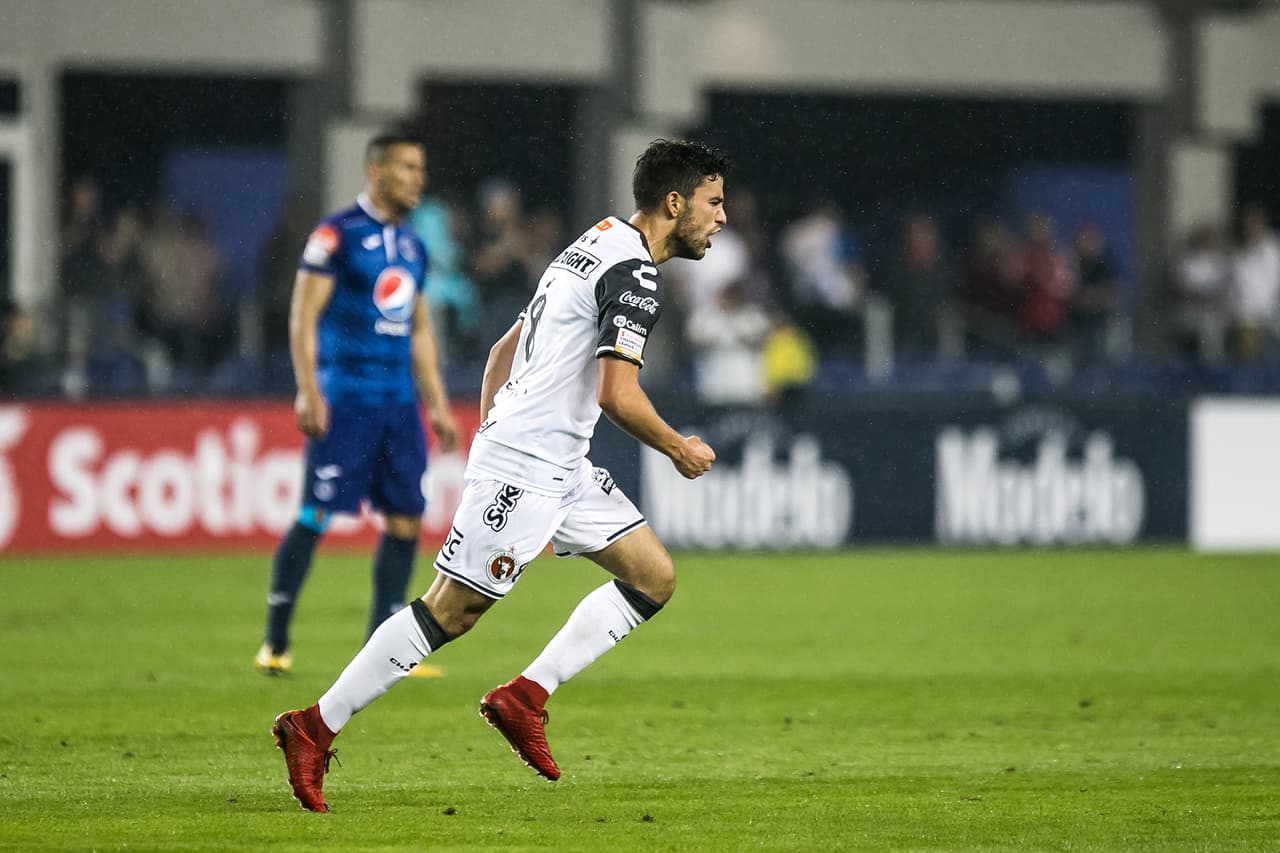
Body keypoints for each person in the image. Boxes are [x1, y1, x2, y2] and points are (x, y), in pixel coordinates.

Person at [271, 138, 727, 812]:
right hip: (528, 464)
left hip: (557, 463)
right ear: (674, 202)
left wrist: (495, 427)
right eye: (713, 203)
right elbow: (616, 394)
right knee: (450, 611)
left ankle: (525, 696)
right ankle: (313, 725)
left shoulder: (594, 240)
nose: (722, 217)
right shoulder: (634, 274)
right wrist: (677, 448)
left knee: (653, 576)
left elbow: (501, 351)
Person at [254, 130, 460, 676]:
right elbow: (304, 314)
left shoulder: (414, 247)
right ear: (376, 171)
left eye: (421, 169)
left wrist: (437, 404)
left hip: (399, 405)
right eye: (407, 168)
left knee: (406, 518)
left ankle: (382, 647)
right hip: (346, 399)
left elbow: (418, 328)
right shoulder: (336, 235)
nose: (418, 179)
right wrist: (308, 388)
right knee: (317, 513)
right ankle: (275, 640)